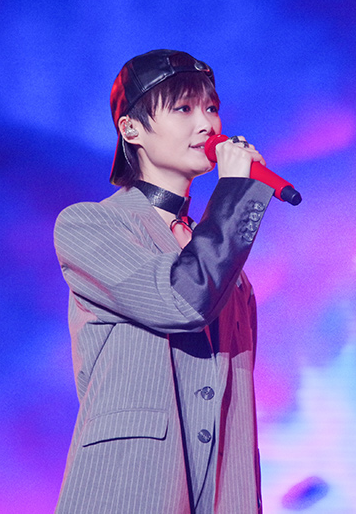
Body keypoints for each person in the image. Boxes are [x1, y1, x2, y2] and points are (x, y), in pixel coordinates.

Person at [53, 49, 273, 513]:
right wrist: (235, 196)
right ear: (131, 129)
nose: (207, 124)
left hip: (221, 491)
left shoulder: (226, 266)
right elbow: (181, 300)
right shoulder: (90, 225)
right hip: (131, 486)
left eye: (211, 108)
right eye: (184, 108)